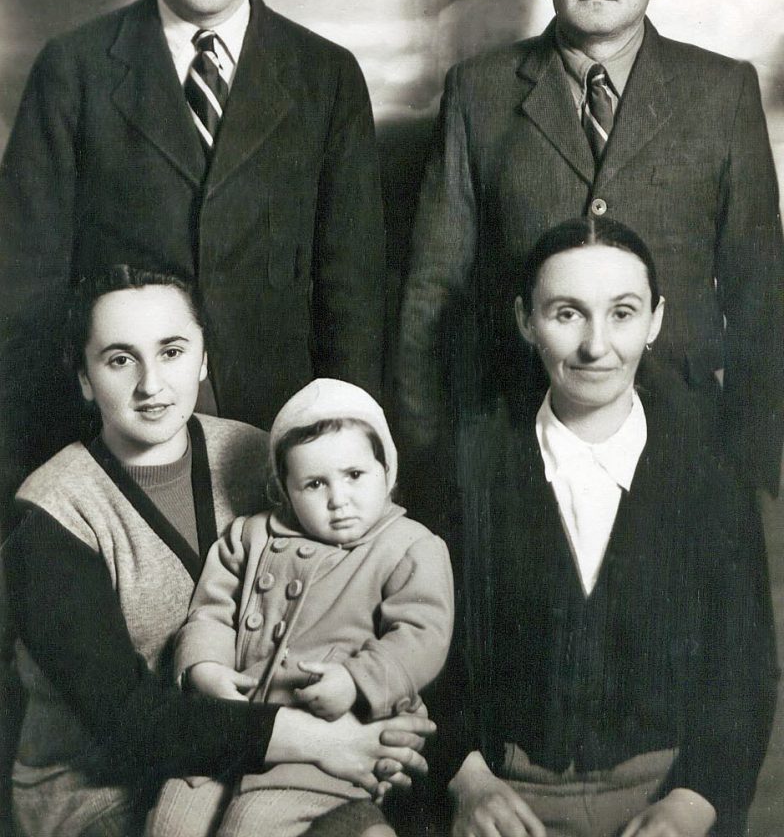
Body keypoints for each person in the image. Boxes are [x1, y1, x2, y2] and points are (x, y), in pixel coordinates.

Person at [0, 0, 385, 502]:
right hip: (114, 432)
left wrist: (350, 440)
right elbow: (25, 286)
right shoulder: (76, 69)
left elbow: (351, 287)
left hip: (278, 430)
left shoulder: (326, 75)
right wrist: (27, 458)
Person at [398, 0, 784, 515]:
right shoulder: (478, 92)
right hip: (514, 440)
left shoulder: (722, 91)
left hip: (684, 449)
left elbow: (760, 291)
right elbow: (434, 288)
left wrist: (750, 466)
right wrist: (430, 458)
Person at [4, 268, 434, 837]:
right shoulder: (52, 513)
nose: (151, 384)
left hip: (277, 762)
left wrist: (392, 728)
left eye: (173, 351)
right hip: (107, 787)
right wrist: (322, 741)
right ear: (84, 377)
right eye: (119, 359)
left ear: (204, 359)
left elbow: (378, 578)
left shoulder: (262, 455)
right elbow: (128, 723)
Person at [437, 218, 777, 837]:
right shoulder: (469, 467)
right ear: (524, 320)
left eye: (622, 313)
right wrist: (469, 782)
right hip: (505, 796)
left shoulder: (711, 473)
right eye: (567, 314)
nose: (597, 345)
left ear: (655, 320)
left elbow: (744, 672)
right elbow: (430, 658)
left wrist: (690, 805)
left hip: (664, 793)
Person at [147, 378, 454, 837]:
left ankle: (351, 818)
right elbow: (211, 611)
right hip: (242, 723)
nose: (338, 499)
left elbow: (423, 634)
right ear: (285, 491)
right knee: (171, 823)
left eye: (354, 475)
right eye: (314, 484)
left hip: (336, 729)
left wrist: (355, 680)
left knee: (250, 828)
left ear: (386, 471)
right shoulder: (249, 536)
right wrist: (205, 667)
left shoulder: (410, 546)